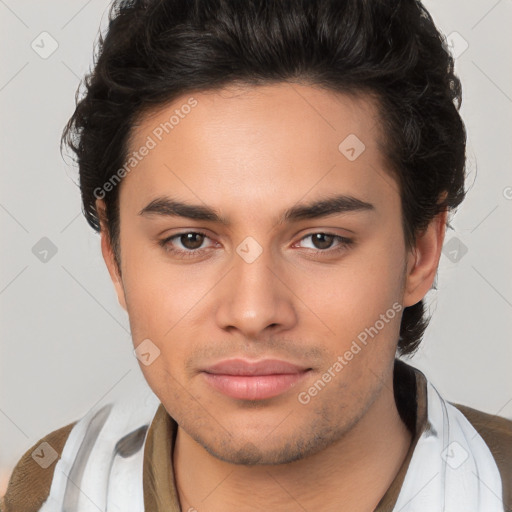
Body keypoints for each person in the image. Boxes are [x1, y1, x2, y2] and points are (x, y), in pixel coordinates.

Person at [3, 0, 511, 511]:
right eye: (190, 240)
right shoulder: (45, 490)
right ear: (115, 258)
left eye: (321, 240)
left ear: (421, 252)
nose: (252, 313)